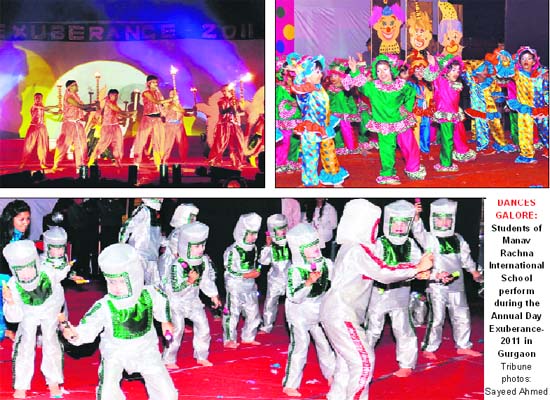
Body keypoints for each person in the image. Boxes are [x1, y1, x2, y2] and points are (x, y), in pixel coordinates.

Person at [319, 199, 433, 400]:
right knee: (364, 362)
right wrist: (416, 268)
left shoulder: (350, 247)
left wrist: (415, 273)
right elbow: (383, 272)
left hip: (337, 311)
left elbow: (383, 270)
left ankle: (336, 396)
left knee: (347, 362)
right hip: (341, 313)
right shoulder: (358, 249)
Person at [59, 243, 178, 400]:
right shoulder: (105, 305)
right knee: (107, 389)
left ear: (134, 278)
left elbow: (162, 300)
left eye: (122, 282)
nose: (116, 287)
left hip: (145, 349)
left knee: (166, 392)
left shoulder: (149, 294)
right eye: (111, 282)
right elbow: (90, 324)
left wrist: (165, 321)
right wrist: (75, 334)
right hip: (115, 351)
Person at [412, 198, 483, 360]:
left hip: (457, 284)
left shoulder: (458, 238)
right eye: (440, 219)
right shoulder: (430, 238)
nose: (444, 222)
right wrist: (416, 216)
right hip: (436, 285)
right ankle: (429, 346)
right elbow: (418, 232)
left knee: (462, 315)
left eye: (447, 219)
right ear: (433, 220)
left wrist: (474, 272)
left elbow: (465, 258)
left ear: (452, 220)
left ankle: (463, 345)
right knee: (437, 318)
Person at [2, 240, 69, 398]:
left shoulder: (48, 273)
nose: (26, 274)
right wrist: (10, 302)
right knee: (24, 345)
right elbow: (14, 317)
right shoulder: (13, 284)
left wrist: (53, 314)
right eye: (20, 270)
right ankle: (21, 384)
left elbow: (58, 294)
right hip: (28, 314)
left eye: (29, 268)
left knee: (51, 342)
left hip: (49, 310)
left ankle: (53, 382)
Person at [365, 200, 424, 378]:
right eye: (396, 223)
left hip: (401, 294)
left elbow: (419, 264)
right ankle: (362, 362)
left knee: (403, 328)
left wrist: (423, 272)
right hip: (379, 295)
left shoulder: (410, 244)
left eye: (404, 223)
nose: (399, 227)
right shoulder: (380, 244)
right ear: (388, 223)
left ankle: (407, 363)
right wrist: (412, 271)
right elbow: (377, 269)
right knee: (372, 329)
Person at [346, 55, 426, 185]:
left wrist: (406, 109)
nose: (382, 73)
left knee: (409, 146)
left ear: (391, 70)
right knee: (386, 150)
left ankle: (413, 169)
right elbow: (362, 86)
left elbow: (411, 94)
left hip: (401, 121)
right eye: (378, 71)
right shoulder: (373, 87)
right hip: (384, 124)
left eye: (385, 69)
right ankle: (388, 174)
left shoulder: (401, 85)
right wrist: (354, 70)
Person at [282, 223, 335, 398]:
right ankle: (290, 384)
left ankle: (331, 374)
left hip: (317, 310)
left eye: (315, 244)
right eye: (309, 247)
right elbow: (293, 296)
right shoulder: (295, 270)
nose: (315, 249)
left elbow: (334, 284)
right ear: (300, 251)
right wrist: (308, 283)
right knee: (300, 346)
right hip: (298, 313)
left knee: (324, 343)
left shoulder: (326, 264)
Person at [162, 222, 221, 369]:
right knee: (177, 331)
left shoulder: (203, 262)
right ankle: (168, 359)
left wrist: (213, 295)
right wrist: (189, 281)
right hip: (176, 302)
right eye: (197, 246)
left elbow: (206, 281)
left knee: (204, 328)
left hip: (194, 301)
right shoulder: (177, 265)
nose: (201, 249)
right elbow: (175, 289)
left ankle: (201, 355)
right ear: (186, 246)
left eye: (203, 245)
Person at [287, 53, 349, 187]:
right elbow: (298, 87)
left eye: (320, 71)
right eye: (317, 72)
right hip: (311, 129)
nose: (321, 75)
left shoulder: (319, 87)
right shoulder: (305, 89)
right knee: (310, 157)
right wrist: (300, 74)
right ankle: (310, 183)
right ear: (307, 74)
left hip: (324, 126)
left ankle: (335, 179)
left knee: (329, 153)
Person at [222, 212, 262, 348]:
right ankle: (229, 339)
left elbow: (254, 265)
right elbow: (229, 270)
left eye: (255, 234)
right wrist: (246, 275)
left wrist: (254, 276)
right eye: (251, 234)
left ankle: (248, 336)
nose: (254, 237)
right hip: (235, 285)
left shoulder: (254, 248)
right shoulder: (233, 250)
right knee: (232, 312)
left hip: (250, 285)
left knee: (253, 312)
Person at [423, 53, 467, 171]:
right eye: (453, 70)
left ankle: (460, 153)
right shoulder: (441, 81)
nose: (456, 73)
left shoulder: (456, 84)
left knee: (454, 137)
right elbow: (432, 76)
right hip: (446, 115)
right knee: (447, 140)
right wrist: (433, 65)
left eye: (458, 70)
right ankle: (446, 163)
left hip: (455, 114)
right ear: (446, 71)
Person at [508, 46, 549, 162]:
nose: (526, 61)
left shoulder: (540, 74)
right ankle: (526, 155)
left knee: (546, 131)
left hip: (540, 108)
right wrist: (506, 61)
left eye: (529, 58)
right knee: (525, 132)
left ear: (534, 61)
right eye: (523, 58)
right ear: (519, 61)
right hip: (525, 108)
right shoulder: (518, 74)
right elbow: (506, 71)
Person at [0, 200, 32, 342]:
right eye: (21, 219)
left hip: (13, 279)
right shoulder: (3, 237)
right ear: (10, 219)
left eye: (28, 219)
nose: (26, 223)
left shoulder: (19, 237)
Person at [258, 214, 291, 334]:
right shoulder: (271, 246)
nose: (283, 231)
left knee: (294, 302)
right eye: (279, 229)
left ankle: (296, 324)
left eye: (284, 228)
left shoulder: (291, 243)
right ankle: (267, 326)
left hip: (290, 278)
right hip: (275, 279)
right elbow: (263, 262)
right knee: (270, 302)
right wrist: (267, 246)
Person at [119, 198, 163, 285]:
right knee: (136, 281)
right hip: (140, 253)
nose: (161, 199)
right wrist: (121, 243)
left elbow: (156, 234)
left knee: (154, 284)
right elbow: (128, 226)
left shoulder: (154, 213)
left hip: (152, 255)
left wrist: (168, 243)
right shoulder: (143, 210)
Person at [132, 75, 172, 169]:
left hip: (157, 120)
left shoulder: (158, 94)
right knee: (141, 140)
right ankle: (136, 162)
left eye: (156, 82)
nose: (156, 84)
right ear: (148, 83)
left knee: (159, 141)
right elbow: (156, 102)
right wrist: (170, 99)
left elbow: (163, 105)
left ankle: (158, 163)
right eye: (153, 82)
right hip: (147, 119)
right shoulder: (146, 93)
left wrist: (173, 102)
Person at [88, 89, 135, 168]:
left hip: (116, 126)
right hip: (107, 127)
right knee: (102, 144)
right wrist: (131, 113)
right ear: (110, 95)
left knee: (118, 144)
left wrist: (129, 116)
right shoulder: (107, 102)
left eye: (117, 96)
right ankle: (91, 160)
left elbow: (118, 114)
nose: (116, 97)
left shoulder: (114, 103)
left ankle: (117, 161)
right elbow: (118, 110)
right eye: (114, 95)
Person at [52, 80, 92, 173]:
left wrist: (94, 108)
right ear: (69, 87)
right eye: (75, 85)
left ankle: (80, 167)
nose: (77, 86)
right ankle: (55, 164)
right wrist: (93, 105)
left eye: (76, 85)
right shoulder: (69, 97)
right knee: (63, 145)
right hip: (69, 124)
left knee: (81, 145)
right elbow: (80, 106)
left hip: (78, 124)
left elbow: (84, 108)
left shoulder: (76, 97)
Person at [207, 84, 247, 169]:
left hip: (234, 124)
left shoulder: (236, 100)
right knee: (220, 143)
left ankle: (237, 162)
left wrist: (240, 106)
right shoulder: (221, 101)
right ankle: (214, 161)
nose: (224, 93)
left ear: (231, 91)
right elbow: (222, 112)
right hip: (224, 124)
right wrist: (231, 108)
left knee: (237, 144)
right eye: (223, 91)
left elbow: (240, 112)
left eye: (226, 91)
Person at [158, 203, 199, 282]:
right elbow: (176, 255)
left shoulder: (183, 232)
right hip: (170, 267)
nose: (194, 219)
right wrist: (188, 269)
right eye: (191, 217)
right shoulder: (178, 233)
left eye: (194, 217)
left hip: (177, 267)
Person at [19, 93, 58, 170]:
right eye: (36, 98)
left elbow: (46, 109)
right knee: (28, 145)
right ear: (34, 99)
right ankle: (23, 162)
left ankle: (42, 163)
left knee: (42, 145)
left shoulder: (42, 106)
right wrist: (55, 106)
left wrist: (55, 113)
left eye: (39, 98)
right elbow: (45, 108)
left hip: (42, 127)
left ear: (42, 99)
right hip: (33, 127)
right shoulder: (34, 106)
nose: (38, 99)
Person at [163, 88, 195, 165]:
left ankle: (183, 159)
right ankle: (164, 160)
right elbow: (181, 111)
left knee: (183, 143)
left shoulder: (179, 104)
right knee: (168, 144)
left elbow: (183, 113)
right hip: (170, 126)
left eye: (176, 94)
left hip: (179, 126)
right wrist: (185, 112)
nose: (175, 95)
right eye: (172, 94)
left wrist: (192, 113)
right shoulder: (168, 104)